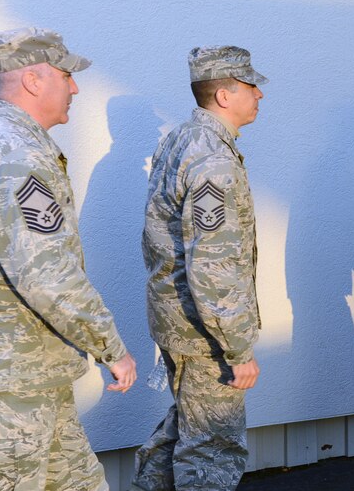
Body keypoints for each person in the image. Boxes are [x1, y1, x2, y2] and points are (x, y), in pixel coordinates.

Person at [0, 27, 137, 490]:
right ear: (33, 80)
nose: (74, 87)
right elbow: (47, 275)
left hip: (31, 378)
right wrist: (112, 347)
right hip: (8, 391)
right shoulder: (16, 155)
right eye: (66, 75)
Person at [131, 45, 265, 491]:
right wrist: (237, 348)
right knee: (212, 449)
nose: (260, 95)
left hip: (179, 320)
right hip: (205, 331)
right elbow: (213, 264)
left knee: (186, 428)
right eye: (251, 86)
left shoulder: (181, 138)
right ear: (224, 95)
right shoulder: (213, 158)